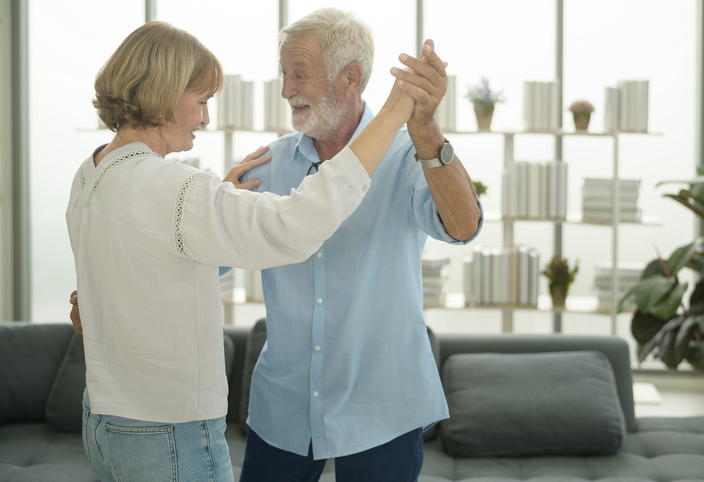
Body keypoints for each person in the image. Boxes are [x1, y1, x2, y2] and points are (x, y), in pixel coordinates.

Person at [66, 20, 423, 482]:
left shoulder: (91, 172)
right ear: (163, 94)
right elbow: (294, 226)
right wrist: (394, 115)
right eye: (200, 101)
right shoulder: (177, 189)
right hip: (169, 431)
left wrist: (215, 206)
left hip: (104, 421)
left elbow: (125, 270)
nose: (206, 118)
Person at [236, 8, 483, 482]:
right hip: (283, 409)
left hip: (383, 406)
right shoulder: (266, 166)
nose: (286, 89)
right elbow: (207, 261)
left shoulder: (410, 154)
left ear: (350, 78)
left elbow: (464, 227)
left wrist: (427, 129)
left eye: (300, 75)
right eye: (284, 74)